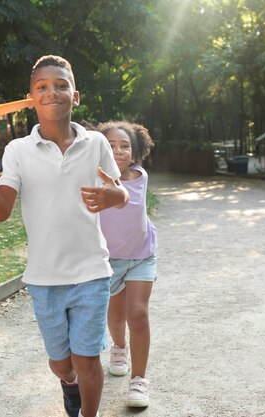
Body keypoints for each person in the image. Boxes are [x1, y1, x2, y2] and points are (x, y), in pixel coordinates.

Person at [0, 55, 129, 417]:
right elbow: (0, 211)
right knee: (63, 365)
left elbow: (120, 194)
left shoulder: (96, 145)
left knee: (87, 359)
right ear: (30, 98)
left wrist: (112, 196)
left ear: (75, 96)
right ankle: (68, 383)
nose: (52, 92)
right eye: (42, 87)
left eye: (61, 85)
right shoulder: (18, 151)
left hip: (92, 271)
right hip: (44, 279)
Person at [96, 120, 157, 408]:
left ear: (134, 153)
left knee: (138, 314)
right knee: (116, 319)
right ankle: (119, 348)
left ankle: (139, 380)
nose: (118, 151)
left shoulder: (139, 176)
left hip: (141, 256)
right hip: (109, 261)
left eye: (124, 146)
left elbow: (124, 199)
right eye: (110, 146)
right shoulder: (92, 179)